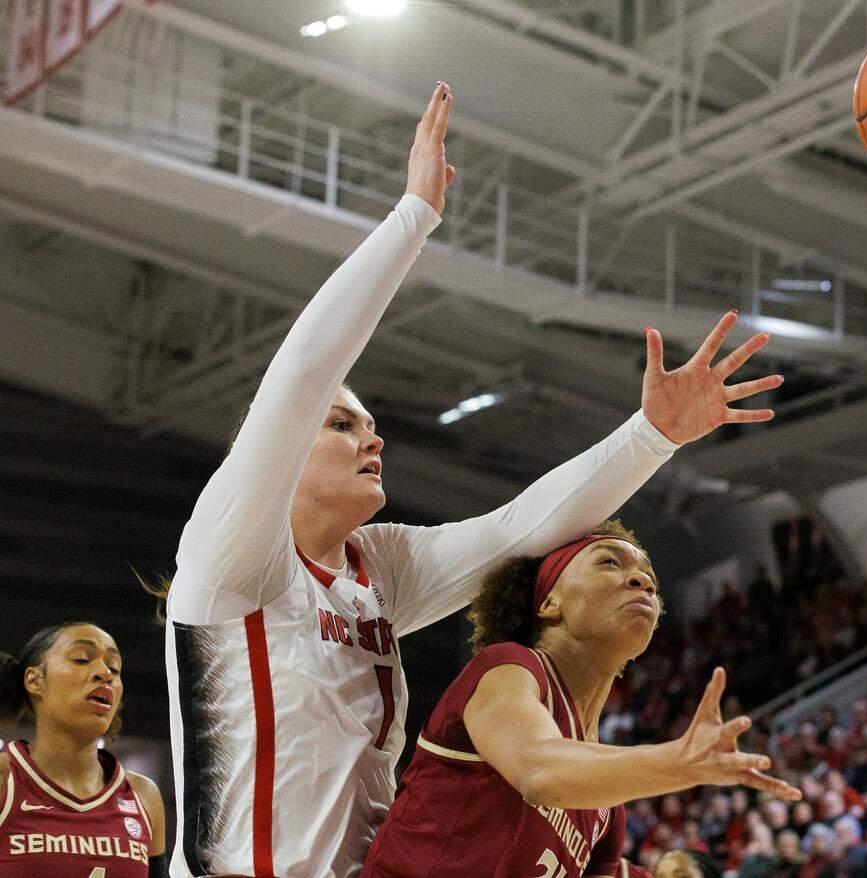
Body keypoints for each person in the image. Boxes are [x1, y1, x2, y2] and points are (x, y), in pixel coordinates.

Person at [161, 82, 784, 877]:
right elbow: (301, 376)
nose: (372, 437)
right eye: (343, 424)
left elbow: (522, 530)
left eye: (370, 424)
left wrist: (653, 434)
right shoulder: (232, 560)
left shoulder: (374, 572)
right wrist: (413, 217)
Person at [361, 522, 799, 876]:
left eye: (649, 577)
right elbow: (538, 769)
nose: (643, 579)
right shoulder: (508, 669)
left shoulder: (605, 804)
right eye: (611, 562)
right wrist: (680, 762)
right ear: (550, 602)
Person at [0, 623, 166, 877]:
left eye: (114, 668)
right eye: (81, 659)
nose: (105, 673)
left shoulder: (143, 795)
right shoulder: (5, 779)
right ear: (34, 680)